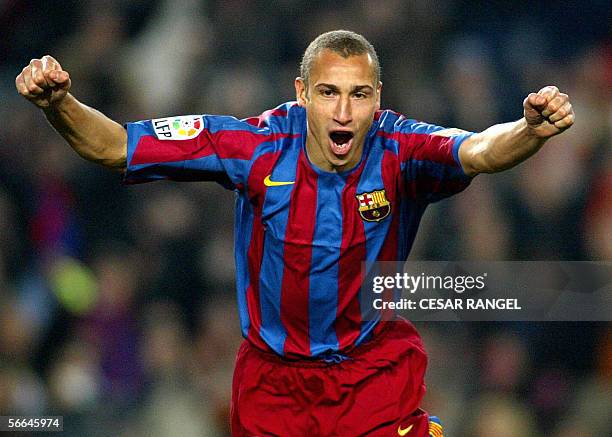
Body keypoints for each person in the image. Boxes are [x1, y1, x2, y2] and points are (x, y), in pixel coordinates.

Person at [16, 30, 574, 436]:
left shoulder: (403, 148)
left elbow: (478, 149)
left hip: (372, 375)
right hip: (272, 389)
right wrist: (58, 103)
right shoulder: (255, 145)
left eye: (359, 95)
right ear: (302, 93)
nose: (344, 111)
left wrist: (530, 130)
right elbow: (115, 146)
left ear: (377, 99)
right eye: (329, 92)